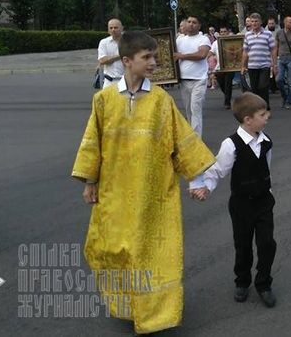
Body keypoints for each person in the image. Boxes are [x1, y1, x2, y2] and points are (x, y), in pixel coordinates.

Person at [71, 31, 215, 334]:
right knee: (112, 250)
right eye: (146, 57)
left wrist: (197, 180)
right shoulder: (104, 100)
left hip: (154, 196)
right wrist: (90, 182)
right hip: (115, 194)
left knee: (152, 254)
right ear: (127, 61)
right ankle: (127, 306)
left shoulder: (161, 101)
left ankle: (156, 315)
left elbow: (182, 143)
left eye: (155, 56)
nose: (154, 62)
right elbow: (92, 144)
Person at [189, 92, 278, 308]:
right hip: (241, 205)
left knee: (267, 244)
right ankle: (242, 281)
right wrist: (205, 188)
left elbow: (266, 167)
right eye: (263, 114)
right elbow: (218, 170)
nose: (267, 117)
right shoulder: (231, 144)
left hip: (264, 202)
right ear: (248, 120)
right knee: (243, 245)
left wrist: (268, 188)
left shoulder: (266, 142)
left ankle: (264, 283)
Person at [174, 16, 212, 136]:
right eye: (189, 22)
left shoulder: (203, 39)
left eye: (194, 22)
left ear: (199, 25)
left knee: (195, 109)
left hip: (199, 79)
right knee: (188, 110)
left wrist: (182, 56)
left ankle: (196, 140)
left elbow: (202, 54)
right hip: (184, 80)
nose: (191, 24)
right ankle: (191, 136)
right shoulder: (180, 40)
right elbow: (172, 55)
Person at [241, 13, 276, 109]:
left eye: (256, 21)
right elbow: (245, 51)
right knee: (254, 88)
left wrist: (274, 64)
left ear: (260, 22)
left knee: (263, 87)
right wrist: (243, 66)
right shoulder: (247, 35)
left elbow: (273, 49)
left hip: (264, 65)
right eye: (252, 21)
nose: (254, 23)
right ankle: (257, 108)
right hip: (252, 66)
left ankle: (265, 107)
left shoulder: (268, 34)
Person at [273, 16, 291, 110]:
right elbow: (275, 47)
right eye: (290, 22)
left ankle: (289, 102)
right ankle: (284, 96)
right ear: (285, 23)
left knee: (290, 83)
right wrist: (273, 62)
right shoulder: (279, 33)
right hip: (280, 59)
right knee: (278, 79)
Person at [211, 27, 234, 110]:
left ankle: (227, 102)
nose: (223, 33)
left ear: (228, 32)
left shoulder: (232, 41)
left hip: (230, 67)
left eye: (225, 31)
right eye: (221, 32)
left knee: (228, 84)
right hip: (219, 67)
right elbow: (211, 52)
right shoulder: (215, 43)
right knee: (222, 84)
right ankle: (227, 96)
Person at [98, 18, 124, 89]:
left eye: (116, 27)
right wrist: (121, 55)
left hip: (126, 81)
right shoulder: (104, 42)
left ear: (122, 28)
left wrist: (109, 58)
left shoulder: (129, 41)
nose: (113, 30)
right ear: (108, 30)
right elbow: (102, 61)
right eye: (111, 28)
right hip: (109, 81)